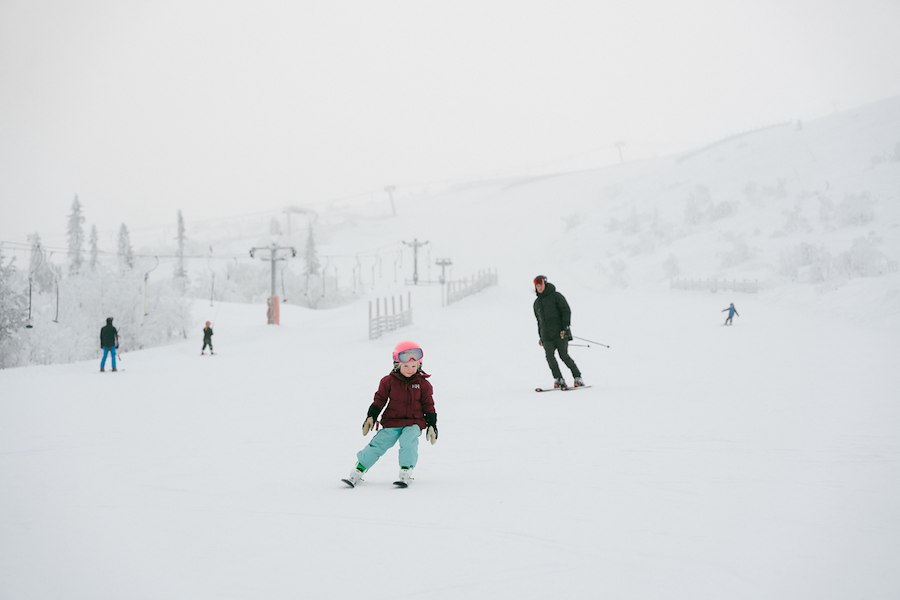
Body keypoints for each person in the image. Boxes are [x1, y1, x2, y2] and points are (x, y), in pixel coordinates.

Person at [342, 340, 438, 488]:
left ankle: (406, 471)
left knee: (408, 441)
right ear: (397, 364)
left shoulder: (423, 384)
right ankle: (358, 470)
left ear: (419, 365)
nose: (410, 369)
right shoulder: (388, 382)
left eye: (414, 366)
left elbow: (429, 405)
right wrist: (371, 417)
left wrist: (432, 424)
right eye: (405, 366)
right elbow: (379, 400)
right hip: (392, 421)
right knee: (379, 443)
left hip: (414, 422)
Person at [533, 275, 584, 389]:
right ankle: (559, 379)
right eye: (537, 285)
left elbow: (566, 311)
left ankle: (578, 377)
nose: (539, 287)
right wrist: (541, 336)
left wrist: (565, 328)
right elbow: (539, 321)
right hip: (547, 336)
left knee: (564, 356)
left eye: (540, 284)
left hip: (560, 333)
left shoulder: (556, 296)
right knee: (549, 357)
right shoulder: (536, 303)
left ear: (545, 284)